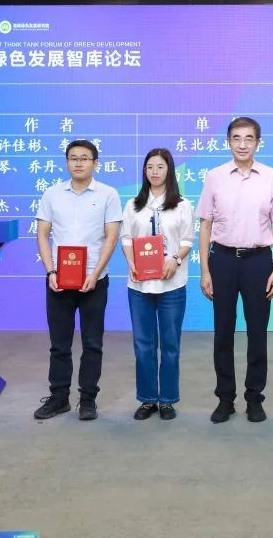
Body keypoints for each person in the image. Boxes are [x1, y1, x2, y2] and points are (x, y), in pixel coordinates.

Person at [196, 117, 273, 423]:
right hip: (222, 260)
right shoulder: (215, 177)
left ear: (258, 142)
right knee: (223, 331)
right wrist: (205, 270)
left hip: (259, 261)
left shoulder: (271, 177)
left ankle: (254, 398)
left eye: (249, 138)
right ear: (228, 142)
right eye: (237, 138)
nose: (243, 144)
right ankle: (225, 399)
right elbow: (205, 225)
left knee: (257, 332)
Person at [33, 139, 121, 421]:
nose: (78, 163)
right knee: (59, 345)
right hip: (59, 281)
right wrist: (51, 272)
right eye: (73, 158)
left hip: (94, 280)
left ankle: (87, 399)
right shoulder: (52, 194)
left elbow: (111, 237)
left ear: (95, 163)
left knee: (92, 343)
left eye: (84, 158)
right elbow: (42, 234)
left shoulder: (108, 194)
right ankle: (58, 398)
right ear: (66, 162)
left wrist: (95, 273)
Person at [120, 148, 195, 421]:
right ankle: (148, 399)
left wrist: (175, 258)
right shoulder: (133, 205)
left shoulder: (182, 205)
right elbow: (126, 239)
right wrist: (131, 263)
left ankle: (167, 400)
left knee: (170, 345)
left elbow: (187, 240)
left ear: (169, 170)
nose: (155, 171)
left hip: (172, 284)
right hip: (139, 286)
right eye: (150, 166)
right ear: (144, 171)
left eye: (160, 166)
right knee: (143, 345)